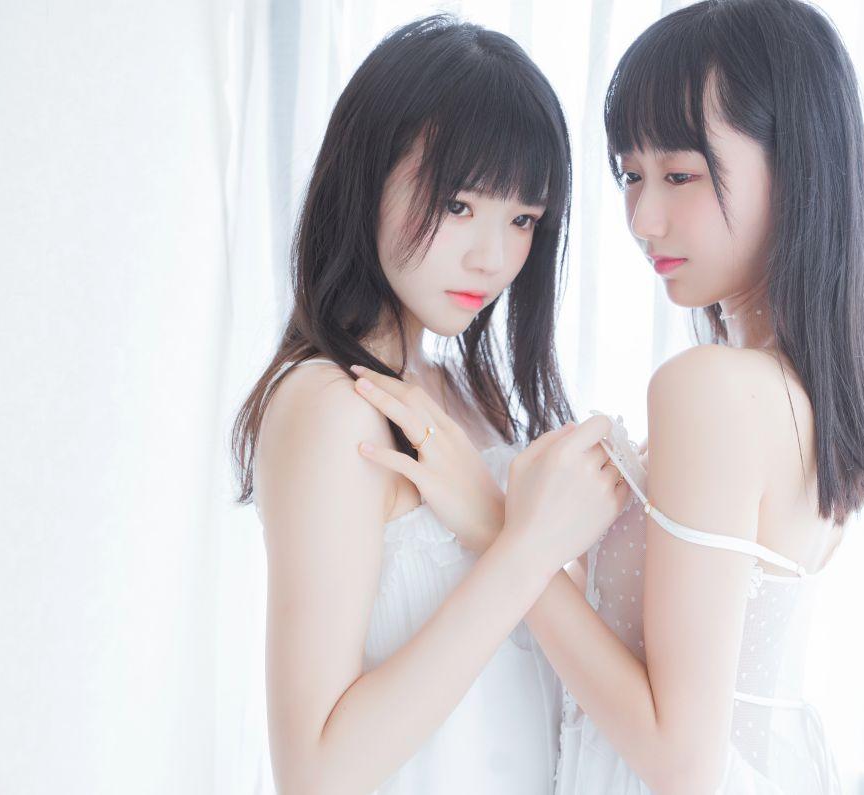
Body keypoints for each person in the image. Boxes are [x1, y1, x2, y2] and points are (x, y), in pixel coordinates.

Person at [350, 1, 864, 792]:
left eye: (680, 175)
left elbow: (680, 759)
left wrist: (497, 528)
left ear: (797, 164)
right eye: (631, 176)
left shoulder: (712, 389)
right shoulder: (806, 392)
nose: (643, 218)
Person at [230, 15, 628, 794]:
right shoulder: (334, 405)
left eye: (522, 218)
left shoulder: (472, 397)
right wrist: (521, 549)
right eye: (458, 205)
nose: (493, 256)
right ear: (366, 177)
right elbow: (315, 772)